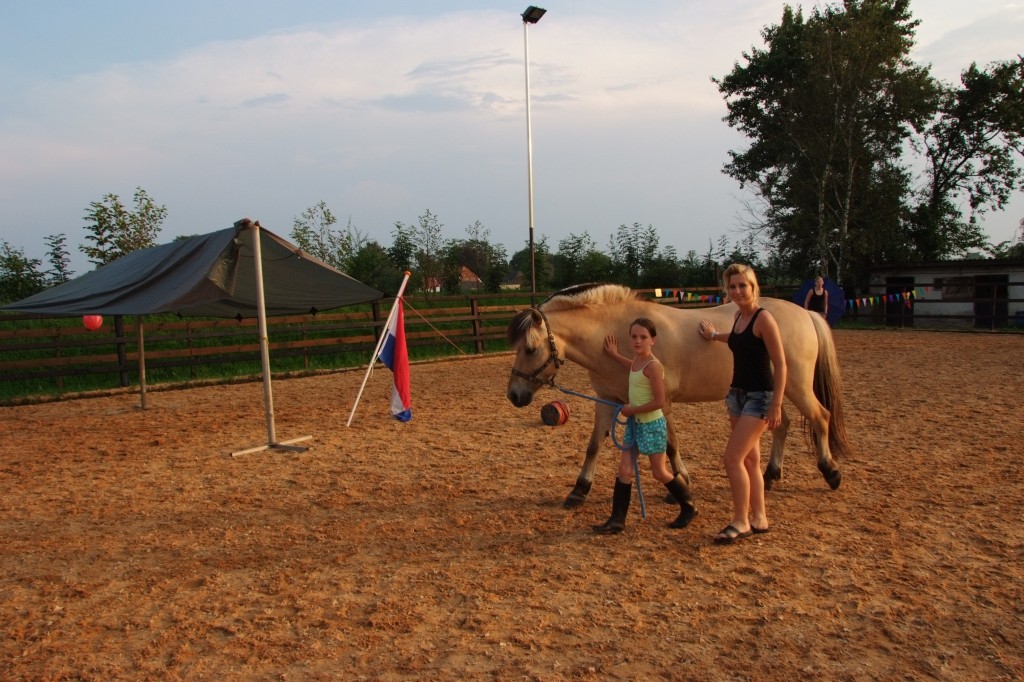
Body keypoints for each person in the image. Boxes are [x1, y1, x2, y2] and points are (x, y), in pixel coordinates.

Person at [697, 264, 786, 544]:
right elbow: (737, 340)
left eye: (742, 286)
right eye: (732, 286)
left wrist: (776, 404)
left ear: (753, 286)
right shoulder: (738, 316)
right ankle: (759, 518)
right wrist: (714, 336)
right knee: (750, 459)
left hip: (760, 397)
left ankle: (740, 521)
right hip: (737, 395)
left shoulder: (763, 319)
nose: (737, 291)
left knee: (732, 458)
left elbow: (781, 364)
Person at [593, 317, 696, 534]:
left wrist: (632, 410)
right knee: (624, 470)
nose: (637, 341)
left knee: (659, 472)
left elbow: (659, 402)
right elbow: (632, 368)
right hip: (635, 424)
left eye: (643, 337)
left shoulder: (654, 366)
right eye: (634, 337)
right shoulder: (638, 361)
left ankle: (688, 506)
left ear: (653, 340)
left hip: (651, 425)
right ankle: (617, 520)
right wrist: (614, 355)